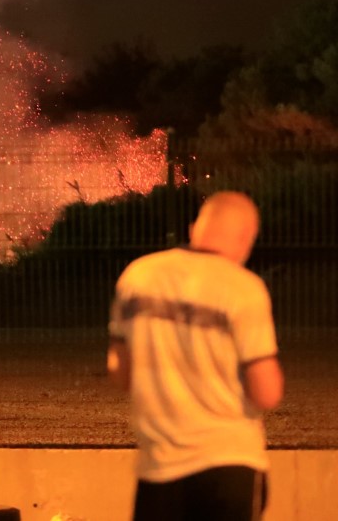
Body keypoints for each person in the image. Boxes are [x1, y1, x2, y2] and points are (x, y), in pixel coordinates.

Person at [107, 191, 284, 521]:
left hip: (159, 468)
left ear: (195, 228)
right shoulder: (243, 288)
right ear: (246, 237)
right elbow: (266, 393)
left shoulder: (138, 276)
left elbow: (120, 372)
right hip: (230, 463)